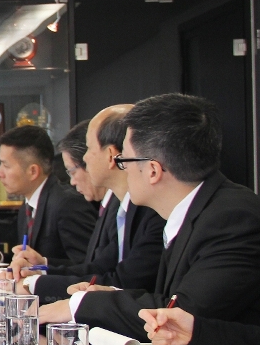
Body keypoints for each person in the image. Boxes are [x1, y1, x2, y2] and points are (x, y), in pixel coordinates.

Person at [42, 94, 260, 335]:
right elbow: (170, 298)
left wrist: (81, 305)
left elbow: (178, 319)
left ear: (153, 170)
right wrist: (109, 294)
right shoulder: (201, 208)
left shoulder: (233, 221)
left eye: (124, 160)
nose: (122, 169)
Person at [17, 106, 164, 300]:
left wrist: (36, 283)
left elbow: (123, 282)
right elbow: (100, 267)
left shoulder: (151, 211)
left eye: (89, 149)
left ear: (110, 155)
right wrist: (40, 272)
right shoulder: (123, 207)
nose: (85, 158)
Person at [0, 125, 95, 265]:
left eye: (6, 165)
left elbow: (88, 266)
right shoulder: (27, 206)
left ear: (33, 171)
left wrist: (43, 264)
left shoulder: (67, 204)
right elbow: (28, 258)